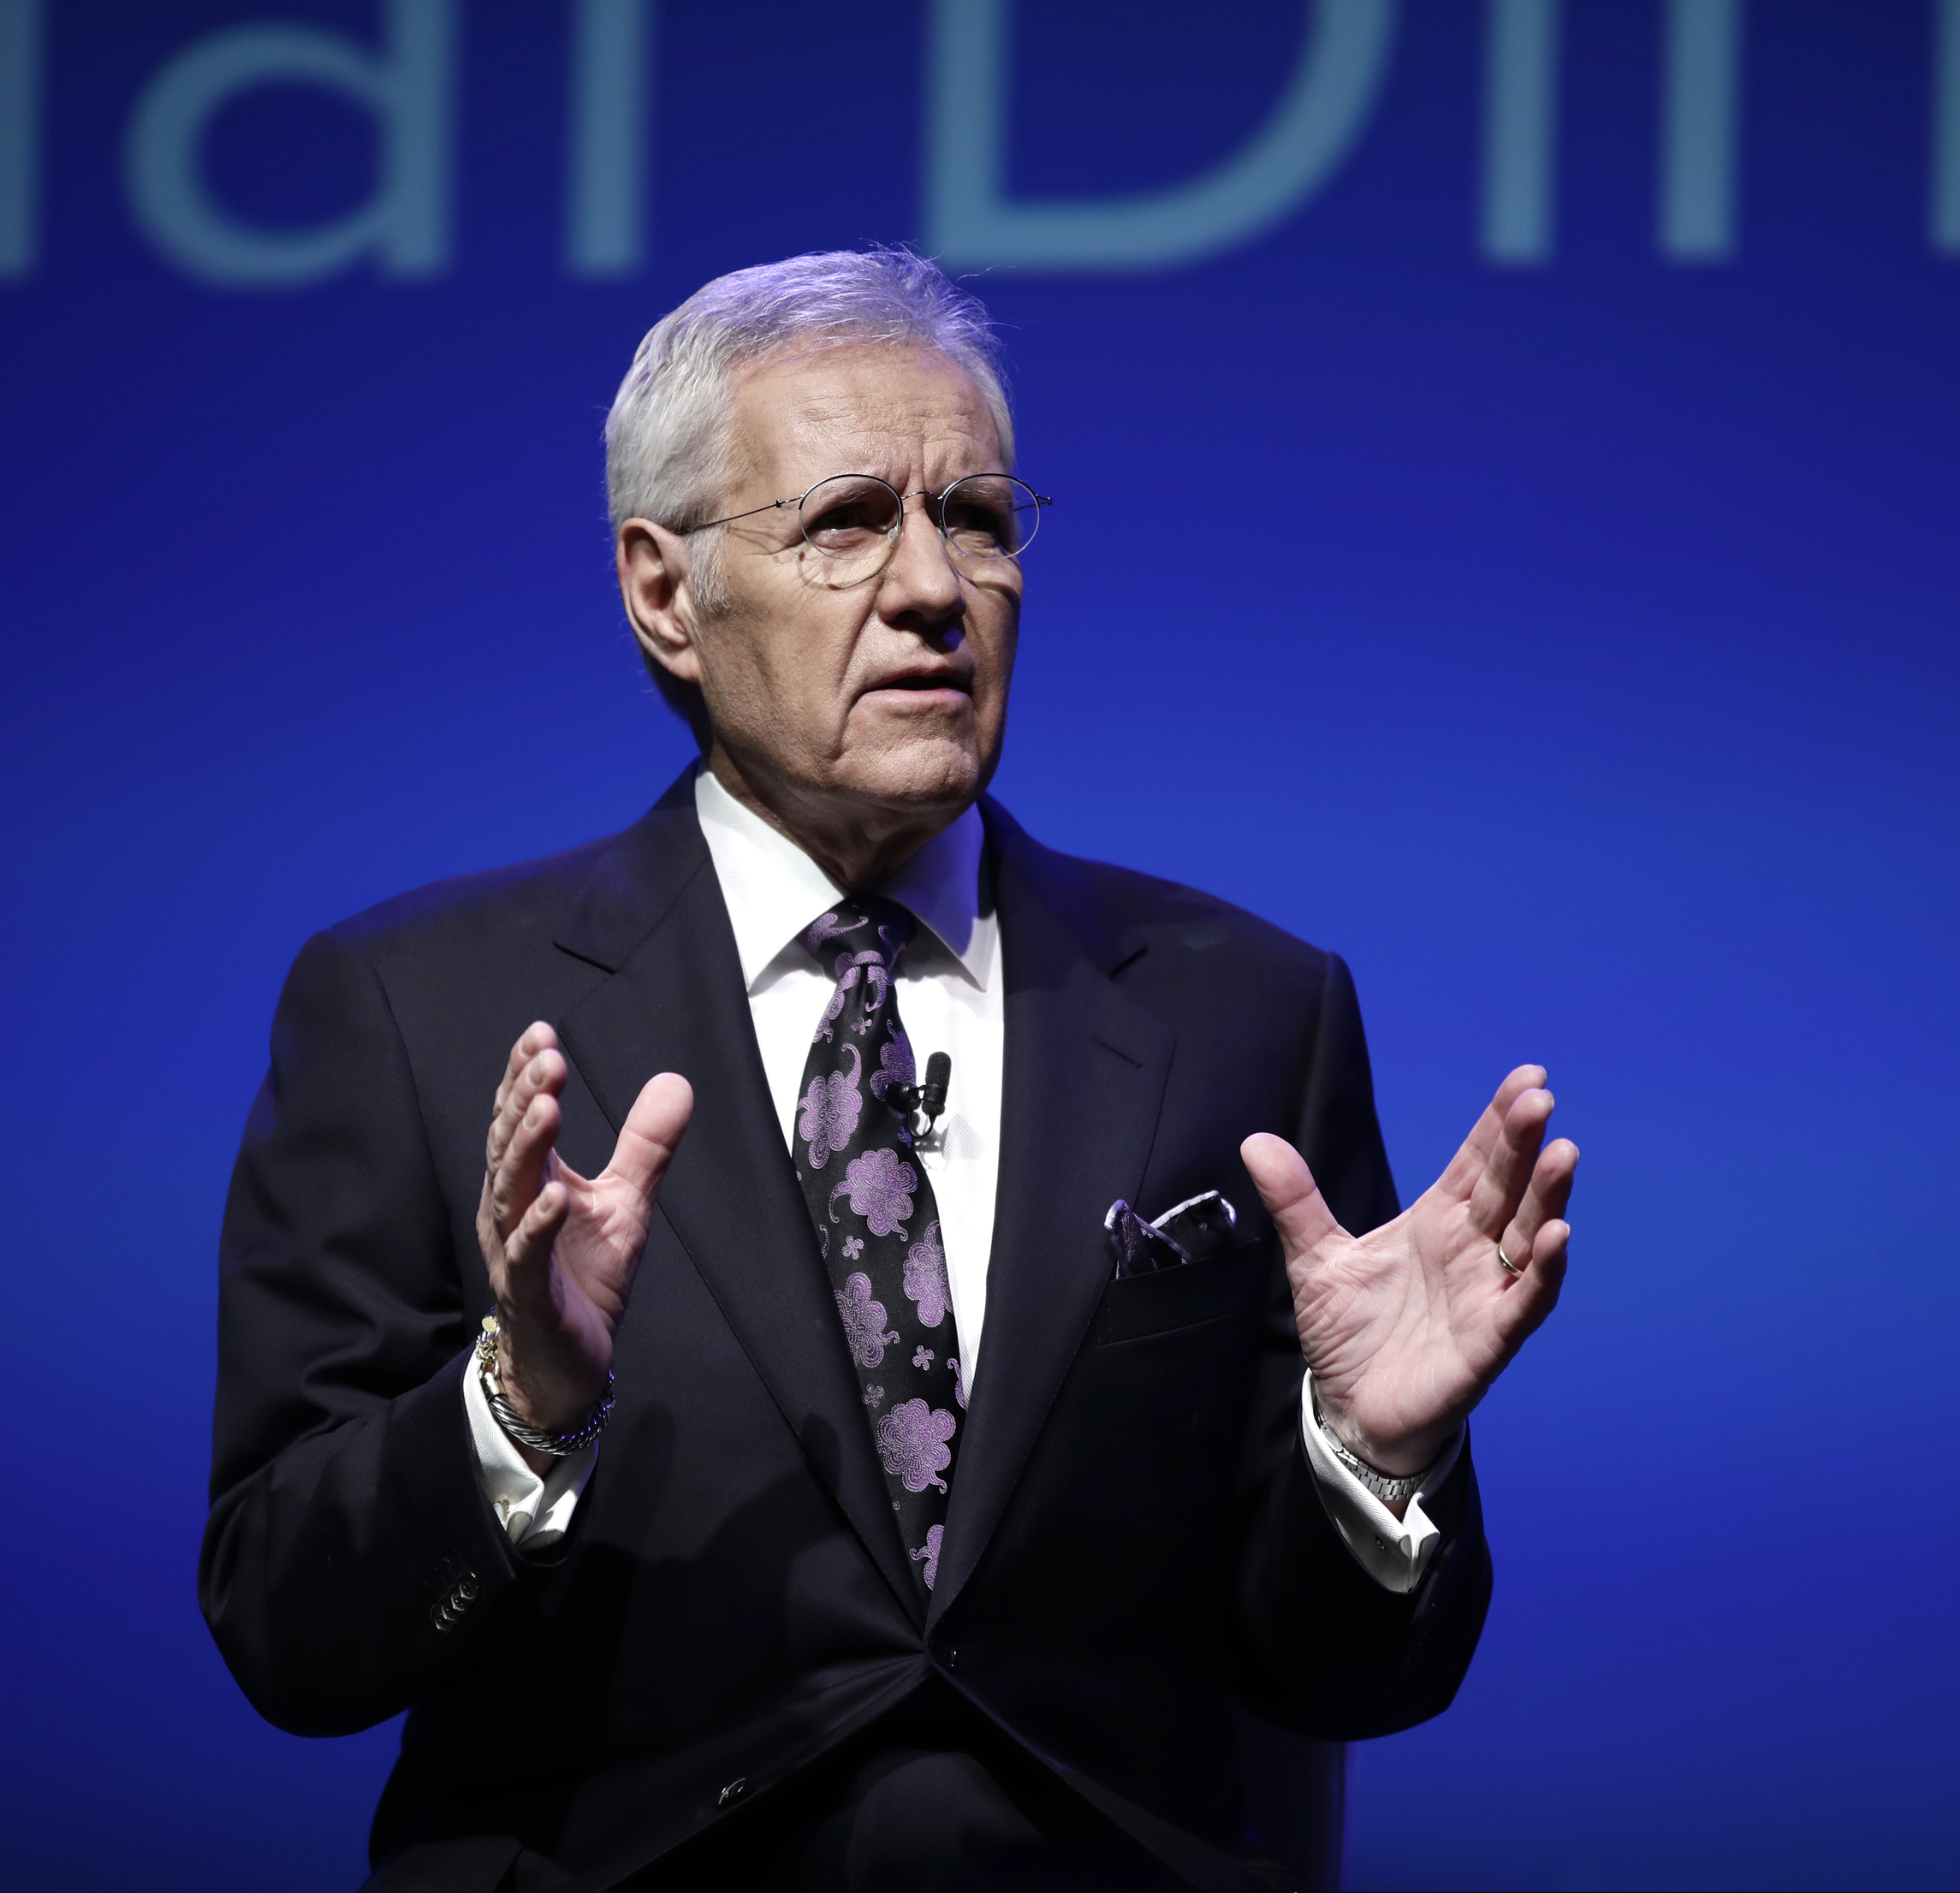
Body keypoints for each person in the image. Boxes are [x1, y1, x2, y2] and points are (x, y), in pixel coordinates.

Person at [201, 249, 1578, 1893]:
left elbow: (1351, 1674)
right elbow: (291, 1632)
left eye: (980, 521)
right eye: (847, 521)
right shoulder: (420, 1008)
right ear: (664, 593)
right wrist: (518, 1406)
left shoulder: (1244, 1013)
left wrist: (1370, 1465)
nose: (935, 586)